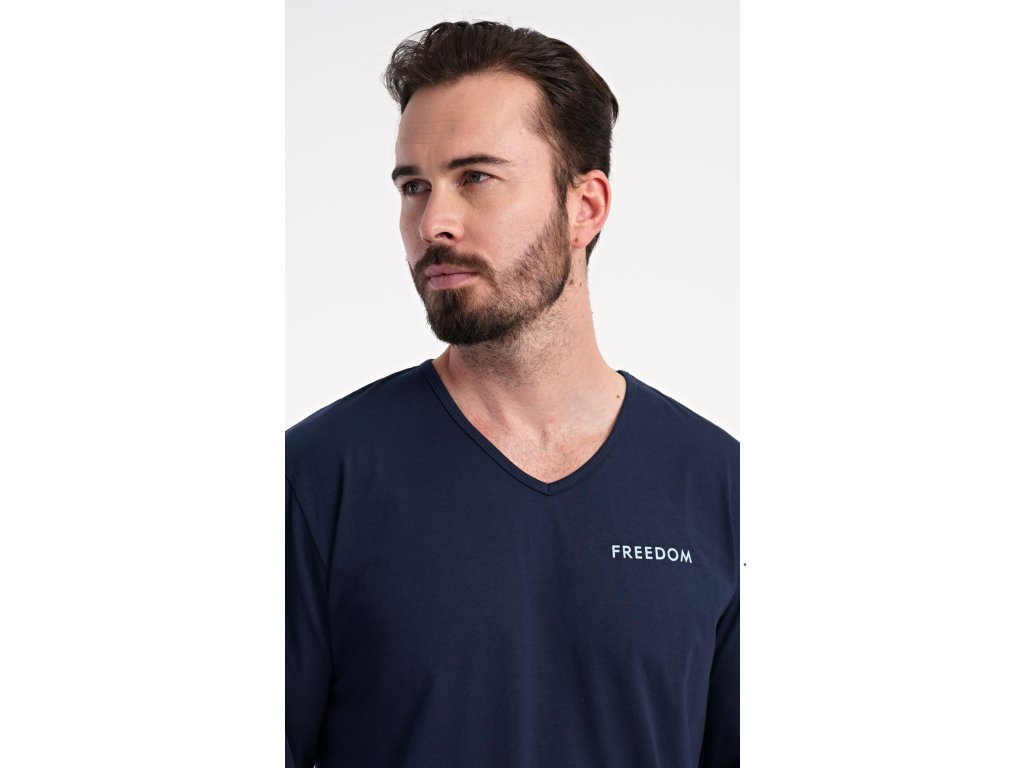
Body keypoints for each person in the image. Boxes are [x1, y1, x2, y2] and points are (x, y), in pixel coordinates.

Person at [286, 20, 739, 768]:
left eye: (475, 178)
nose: (434, 223)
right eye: (414, 187)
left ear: (585, 207)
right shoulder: (313, 480)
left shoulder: (721, 487)